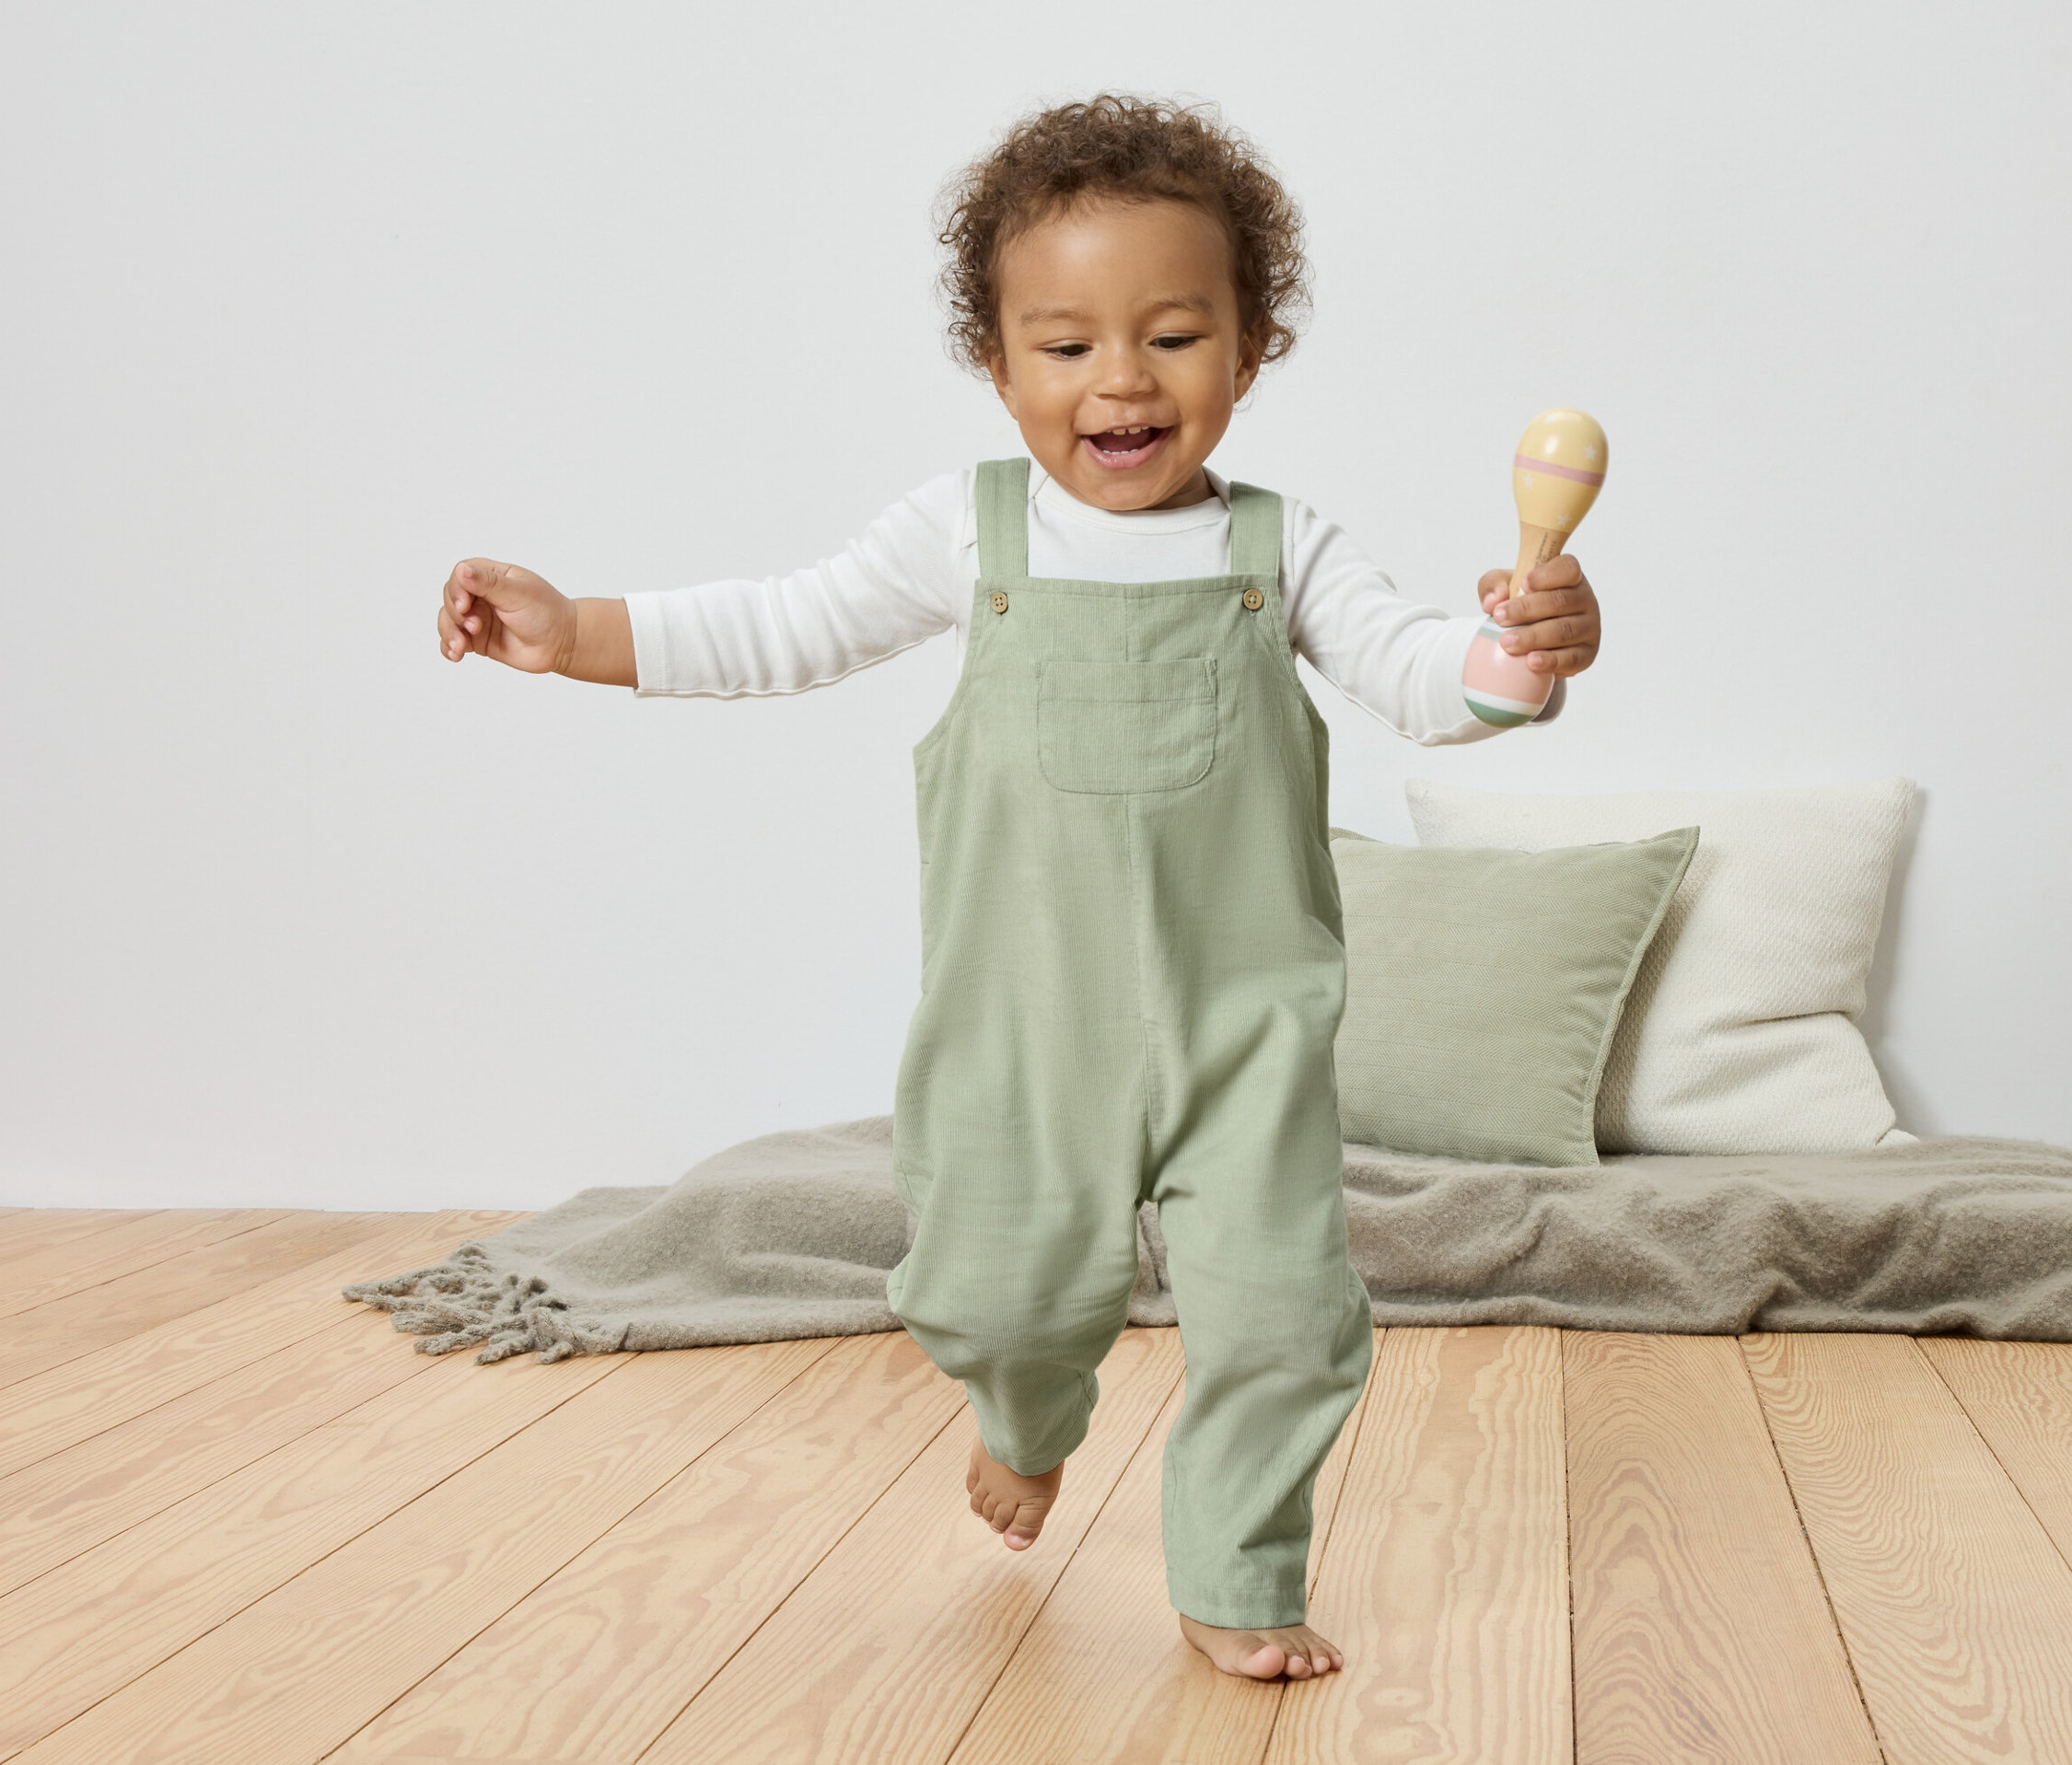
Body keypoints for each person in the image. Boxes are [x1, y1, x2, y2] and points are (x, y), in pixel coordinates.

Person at [434, 94, 1601, 1682]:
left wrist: (1521, 655)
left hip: (1241, 1032)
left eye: (1175, 335)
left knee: (1280, 1315)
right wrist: (576, 630)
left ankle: (1238, 1573)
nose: (1120, 379)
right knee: (994, 1290)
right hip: (1018, 1028)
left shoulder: (1282, 549)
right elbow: (784, 625)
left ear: (1249, 353)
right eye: (1065, 348)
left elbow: (1426, 676)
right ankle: (1027, 1406)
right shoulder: (965, 534)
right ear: (999, 366)